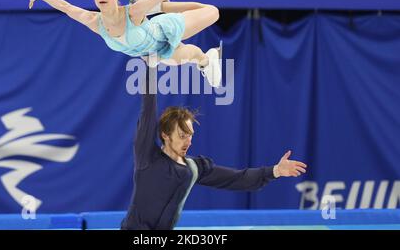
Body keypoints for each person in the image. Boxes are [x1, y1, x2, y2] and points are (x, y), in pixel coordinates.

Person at [121, 67, 308, 230]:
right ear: (165, 135)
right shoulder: (147, 156)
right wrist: (151, 67)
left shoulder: (194, 169)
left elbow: (237, 178)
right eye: (182, 135)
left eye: (191, 135)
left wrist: (275, 171)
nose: (188, 141)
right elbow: (148, 109)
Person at [20, 0, 229, 87]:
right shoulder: (95, 21)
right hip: (153, 53)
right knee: (194, 57)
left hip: (164, 30)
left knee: (212, 11)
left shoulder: (133, 12)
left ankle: (159, 8)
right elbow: (65, 7)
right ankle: (206, 59)